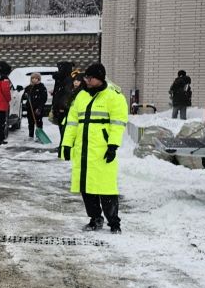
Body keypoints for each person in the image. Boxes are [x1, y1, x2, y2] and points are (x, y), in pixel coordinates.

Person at [61, 63, 128, 233]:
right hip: (82, 149)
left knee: (106, 187)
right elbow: (72, 123)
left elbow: (118, 123)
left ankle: (114, 222)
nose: (87, 80)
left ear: (100, 78)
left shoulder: (114, 97)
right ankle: (95, 218)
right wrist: (67, 144)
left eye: (91, 78)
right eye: (86, 77)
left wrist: (113, 145)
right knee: (86, 187)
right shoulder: (81, 96)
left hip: (102, 149)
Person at [50, 61, 76, 148]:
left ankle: (65, 144)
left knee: (64, 126)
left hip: (63, 107)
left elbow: (65, 94)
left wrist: (61, 105)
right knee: (63, 126)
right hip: (61, 106)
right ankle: (64, 144)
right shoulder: (65, 78)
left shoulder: (65, 79)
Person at [24, 72, 48, 139]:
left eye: (36, 78)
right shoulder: (28, 87)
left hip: (38, 108)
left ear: (39, 79)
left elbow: (44, 99)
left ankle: (39, 136)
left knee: (38, 122)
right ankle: (30, 135)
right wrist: (25, 94)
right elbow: (24, 96)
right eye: (33, 78)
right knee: (30, 122)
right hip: (30, 108)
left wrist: (39, 108)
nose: (34, 80)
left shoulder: (42, 87)